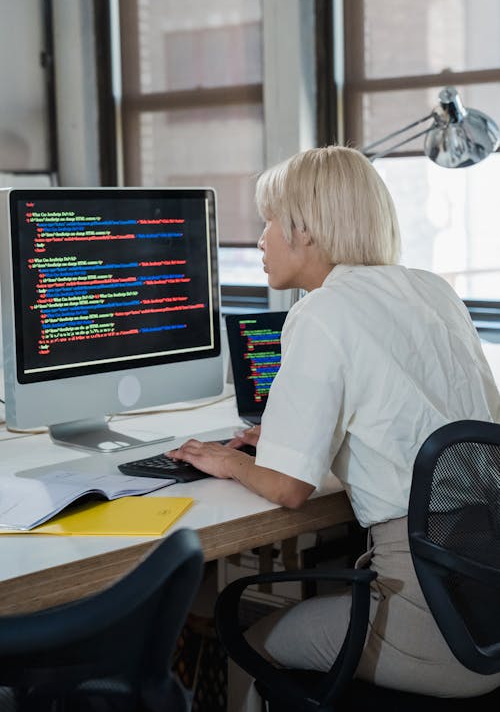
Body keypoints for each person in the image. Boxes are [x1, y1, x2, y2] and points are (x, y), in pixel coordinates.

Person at [169, 145, 500, 708]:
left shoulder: (323, 312)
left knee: (250, 640)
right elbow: (423, 433)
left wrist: (234, 461)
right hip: (485, 615)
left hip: (430, 625)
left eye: (270, 221)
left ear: (306, 231)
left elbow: (290, 489)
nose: (261, 239)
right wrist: (288, 444)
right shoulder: (433, 291)